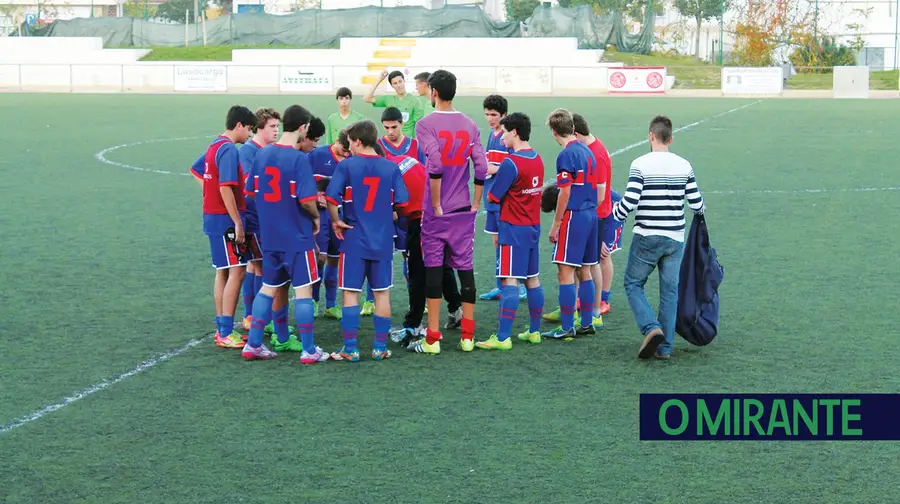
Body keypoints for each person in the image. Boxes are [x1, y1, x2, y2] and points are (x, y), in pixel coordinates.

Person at [612, 115, 706, 360]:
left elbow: (631, 200)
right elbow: (697, 203)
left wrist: (616, 213)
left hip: (647, 235)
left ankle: (651, 328)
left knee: (633, 284)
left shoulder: (640, 163)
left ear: (650, 136)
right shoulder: (684, 165)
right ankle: (665, 348)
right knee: (669, 292)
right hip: (675, 238)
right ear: (671, 139)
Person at [407, 69, 487, 355]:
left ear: (434, 93)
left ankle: (433, 338)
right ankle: (467, 336)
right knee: (464, 267)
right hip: (463, 207)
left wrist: (437, 203)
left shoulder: (425, 124)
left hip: (436, 210)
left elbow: (436, 164)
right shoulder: (470, 124)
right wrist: (476, 201)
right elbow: (480, 166)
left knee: (433, 267)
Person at [243, 104, 329, 363]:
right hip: (296, 237)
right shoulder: (298, 159)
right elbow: (305, 200)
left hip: (270, 236)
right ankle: (309, 349)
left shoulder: (263, 153)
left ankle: (253, 344)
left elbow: (251, 193)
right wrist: (315, 218)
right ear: (303, 128)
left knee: (268, 287)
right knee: (303, 290)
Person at [325, 120, 410, 362]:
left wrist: (335, 220)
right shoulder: (391, 167)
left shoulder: (347, 166)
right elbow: (403, 203)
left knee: (350, 293)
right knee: (382, 293)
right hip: (382, 240)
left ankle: (350, 349)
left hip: (353, 239)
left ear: (359, 141)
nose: (348, 146)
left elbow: (331, 196)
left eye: (350, 141)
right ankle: (379, 348)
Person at [475, 112, 545, 350]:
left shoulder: (511, 162)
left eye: (505, 132)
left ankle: (503, 337)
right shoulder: (537, 158)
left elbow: (494, 195)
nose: (502, 136)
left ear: (514, 132)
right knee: (533, 279)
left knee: (509, 280)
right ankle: (534, 331)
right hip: (532, 226)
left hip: (513, 228)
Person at [195, 105, 257, 349]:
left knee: (222, 270)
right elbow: (225, 187)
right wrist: (238, 222)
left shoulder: (215, 145)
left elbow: (198, 172)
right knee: (238, 270)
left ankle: (222, 326)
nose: (250, 135)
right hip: (225, 220)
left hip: (212, 217)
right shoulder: (229, 150)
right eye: (249, 129)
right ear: (239, 125)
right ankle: (225, 330)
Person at [542, 108, 599, 341]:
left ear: (554, 132)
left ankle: (566, 326)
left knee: (564, 272)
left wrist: (556, 224)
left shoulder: (565, 155)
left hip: (574, 216)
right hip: (591, 215)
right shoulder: (587, 151)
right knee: (584, 270)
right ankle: (587, 322)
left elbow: (564, 192)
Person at [478, 94, 526, 302]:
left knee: (509, 243)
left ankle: (520, 285)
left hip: (503, 200)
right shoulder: (491, 134)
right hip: (491, 199)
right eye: (487, 114)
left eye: (494, 115)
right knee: (497, 243)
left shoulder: (507, 137)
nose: (490, 118)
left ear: (504, 115)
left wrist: (493, 168)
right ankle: (501, 285)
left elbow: (515, 165)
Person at [238, 107, 281, 332]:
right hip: (255, 218)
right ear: (260, 127)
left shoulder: (269, 150)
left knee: (257, 266)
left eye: (277, 127)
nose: (276, 131)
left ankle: (255, 317)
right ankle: (256, 317)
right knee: (261, 266)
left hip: (267, 218)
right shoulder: (248, 151)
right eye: (272, 127)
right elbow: (249, 187)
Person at [307, 129, 350, 320]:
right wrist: (315, 197)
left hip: (341, 214)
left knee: (335, 257)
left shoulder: (352, 160)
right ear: (337, 140)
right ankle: (314, 300)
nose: (347, 154)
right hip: (321, 215)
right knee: (320, 257)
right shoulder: (317, 155)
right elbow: (303, 180)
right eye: (344, 149)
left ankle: (331, 305)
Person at [574, 113, 612, 322]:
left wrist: (584, 213)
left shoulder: (595, 153)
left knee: (595, 260)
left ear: (576, 134)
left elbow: (600, 191)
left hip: (594, 214)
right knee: (581, 261)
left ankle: (598, 305)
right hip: (592, 213)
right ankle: (576, 304)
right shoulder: (590, 147)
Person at [364, 70, 422, 139]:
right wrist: (379, 80)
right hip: (392, 141)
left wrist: (415, 142)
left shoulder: (415, 100)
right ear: (392, 85)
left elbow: (419, 124)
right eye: (395, 83)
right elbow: (367, 98)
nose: (398, 85)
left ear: (404, 81)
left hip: (408, 142)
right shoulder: (388, 99)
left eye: (400, 82)